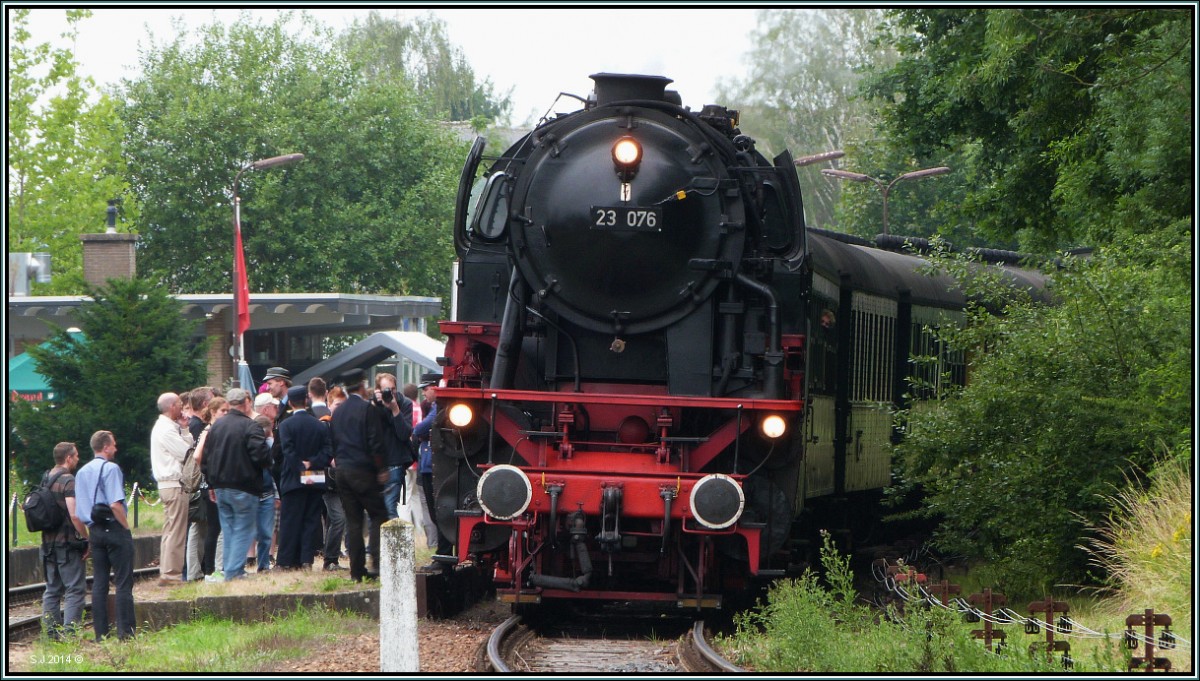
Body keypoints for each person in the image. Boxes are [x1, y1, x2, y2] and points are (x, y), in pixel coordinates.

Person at [202, 388, 272, 581]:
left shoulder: (216, 426)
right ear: (246, 403)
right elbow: (260, 456)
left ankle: (232, 568)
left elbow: (207, 457)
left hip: (220, 486)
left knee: (229, 527)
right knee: (244, 527)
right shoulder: (250, 426)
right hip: (244, 485)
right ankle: (234, 572)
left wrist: (211, 485)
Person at [74, 430, 135, 640]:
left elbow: (77, 511)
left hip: (95, 531)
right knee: (123, 582)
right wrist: (126, 528)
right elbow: (115, 504)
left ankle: (101, 633)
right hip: (114, 528)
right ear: (106, 447)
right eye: (114, 445)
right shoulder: (111, 469)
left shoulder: (81, 472)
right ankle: (126, 632)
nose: (116, 449)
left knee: (99, 583)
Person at [330, 368, 389, 582]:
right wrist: (381, 469)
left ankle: (356, 571)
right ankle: (378, 563)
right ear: (363, 386)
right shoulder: (368, 409)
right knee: (378, 515)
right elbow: (375, 442)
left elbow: (334, 441)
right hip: (363, 470)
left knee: (353, 521)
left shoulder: (338, 411)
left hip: (342, 471)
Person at [277, 385, 332, 569]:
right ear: (306, 400)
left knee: (290, 520)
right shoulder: (319, 424)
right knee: (311, 520)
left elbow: (287, 451)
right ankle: (306, 559)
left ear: (290, 403)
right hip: (315, 476)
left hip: (293, 478)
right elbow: (328, 451)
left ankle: (286, 560)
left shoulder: (285, 425)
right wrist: (312, 463)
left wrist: (300, 467)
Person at [39, 442, 89, 640]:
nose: (77, 459)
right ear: (68, 458)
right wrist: (86, 538)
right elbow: (74, 514)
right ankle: (71, 633)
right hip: (67, 544)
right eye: (76, 456)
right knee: (75, 589)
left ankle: (50, 633)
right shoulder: (69, 480)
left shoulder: (45, 479)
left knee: (52, 589)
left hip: (47, 544)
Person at [149, 392, 194, 586]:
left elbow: (185, 447)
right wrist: (185, 434)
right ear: (172, 407)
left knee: (170, 530)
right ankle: (172, 574)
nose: (182, 407)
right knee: (176, 531)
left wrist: (184, 430)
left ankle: (167, 572)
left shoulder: (166, 427)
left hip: (167, 485)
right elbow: (186, 452)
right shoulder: (166, 429)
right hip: (174, 484)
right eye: (179, 404)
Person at [413, 376, 452, 568]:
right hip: (429, 466)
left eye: (426, 388)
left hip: (434, 467)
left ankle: (444, 554)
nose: (423, 392)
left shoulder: (438, 408)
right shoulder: (434, 408)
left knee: (437, 511)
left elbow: (420, 428)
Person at [189, 396, 228, 581]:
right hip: (210, 484)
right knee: (215, 528)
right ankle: (212, 569)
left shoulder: (214, 430)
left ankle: (213, 569)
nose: (226, 414)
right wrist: (210, 471)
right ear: (213, 412)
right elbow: (197, 456)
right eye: (223, 411)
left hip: (211, 483)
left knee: (215, 527)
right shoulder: (209, 430)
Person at [373, 372, 415, 520]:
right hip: (376, 465)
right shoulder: (373, 405)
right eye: (386, 390)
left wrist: (395, 409)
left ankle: (392, 542)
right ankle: (378, 543)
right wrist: (376, 405)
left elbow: (404, 434)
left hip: (395, 462)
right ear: (378, 390)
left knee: (390, 507)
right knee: (377, 510)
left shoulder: (404, 403)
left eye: (392, 389)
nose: (390, 393)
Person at [319, 384, 348, 571]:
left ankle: (332, 558)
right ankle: (330, 559)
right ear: (329, 404)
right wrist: (331, 458)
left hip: (344, 480)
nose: (340, 408)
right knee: (338, 518)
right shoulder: (324, 424)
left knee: (334, 519)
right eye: (337, 404)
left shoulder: (346, 425)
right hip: (329, 481)